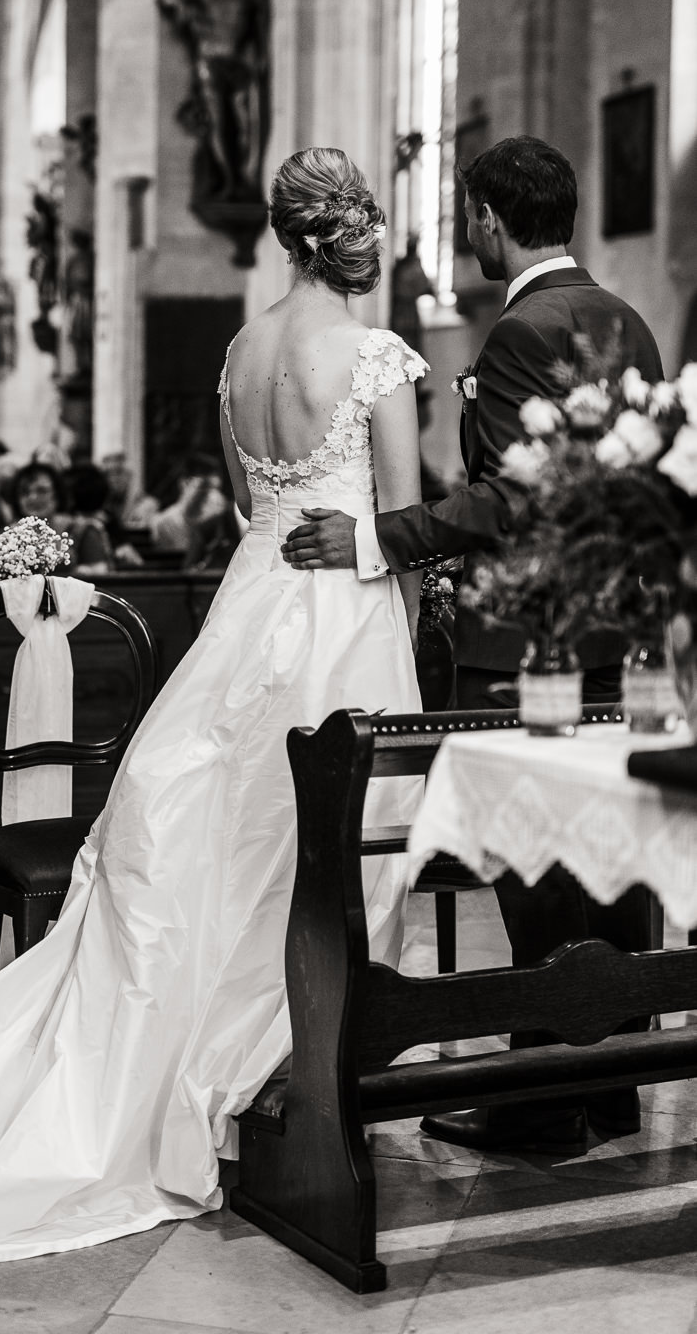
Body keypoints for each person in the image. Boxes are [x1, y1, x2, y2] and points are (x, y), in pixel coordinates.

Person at [0, 146, 426, 1262]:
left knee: (223, 835)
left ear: (280, 235)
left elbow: (248, 504)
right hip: (343, 620)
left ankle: (220, 1068)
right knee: (328, 842)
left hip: (250, 605)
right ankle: (281, 1081)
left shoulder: (240, 353)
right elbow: (403, 518)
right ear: (349, 237)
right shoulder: (376, 357)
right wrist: (400, 602)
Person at [281, 134, 664, 1157]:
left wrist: (374, 537)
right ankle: (609, 1085)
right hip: (614, 636)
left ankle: (537, 1107)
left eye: (469, 218)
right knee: (606, 860)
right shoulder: (625, 319)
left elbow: (511, 498)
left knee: (534, 870)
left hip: (529, 644)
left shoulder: (518, 331)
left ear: (488, 218)